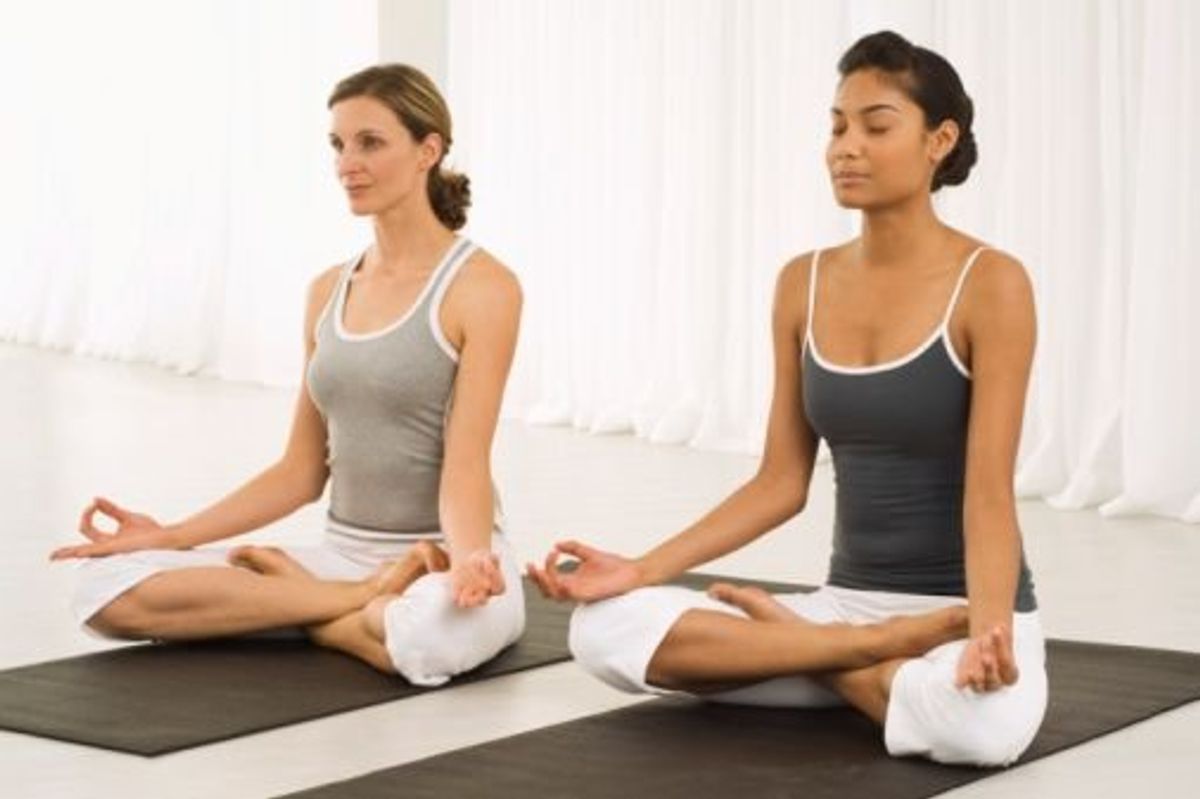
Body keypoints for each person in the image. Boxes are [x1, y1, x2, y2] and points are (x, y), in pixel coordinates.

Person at [528, 30, 1045, 767]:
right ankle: (863, 657)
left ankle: (808, 651)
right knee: (601, 628)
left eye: (876, 126)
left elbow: (989, 494)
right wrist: (640, 570)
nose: (846, 148)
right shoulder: (802, 282)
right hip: (844, 609)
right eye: (836, 127)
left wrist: (989, 633)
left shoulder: (992, 283)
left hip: (959, 612)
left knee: (980, 730)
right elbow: (779, 481)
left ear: (940, 140)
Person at [51, 64, 526, 686]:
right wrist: (170, 535)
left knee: (425, 639)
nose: (347, 164)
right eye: (338, 144)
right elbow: (301, 471)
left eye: (370, 143)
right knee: (104, 589)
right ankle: (356, 599)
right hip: (344, 557)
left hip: (442, 555)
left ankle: (298, 602)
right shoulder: (327, 290)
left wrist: (469, 560)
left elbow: (466, 466)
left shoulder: (484, 288)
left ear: (427, 151)